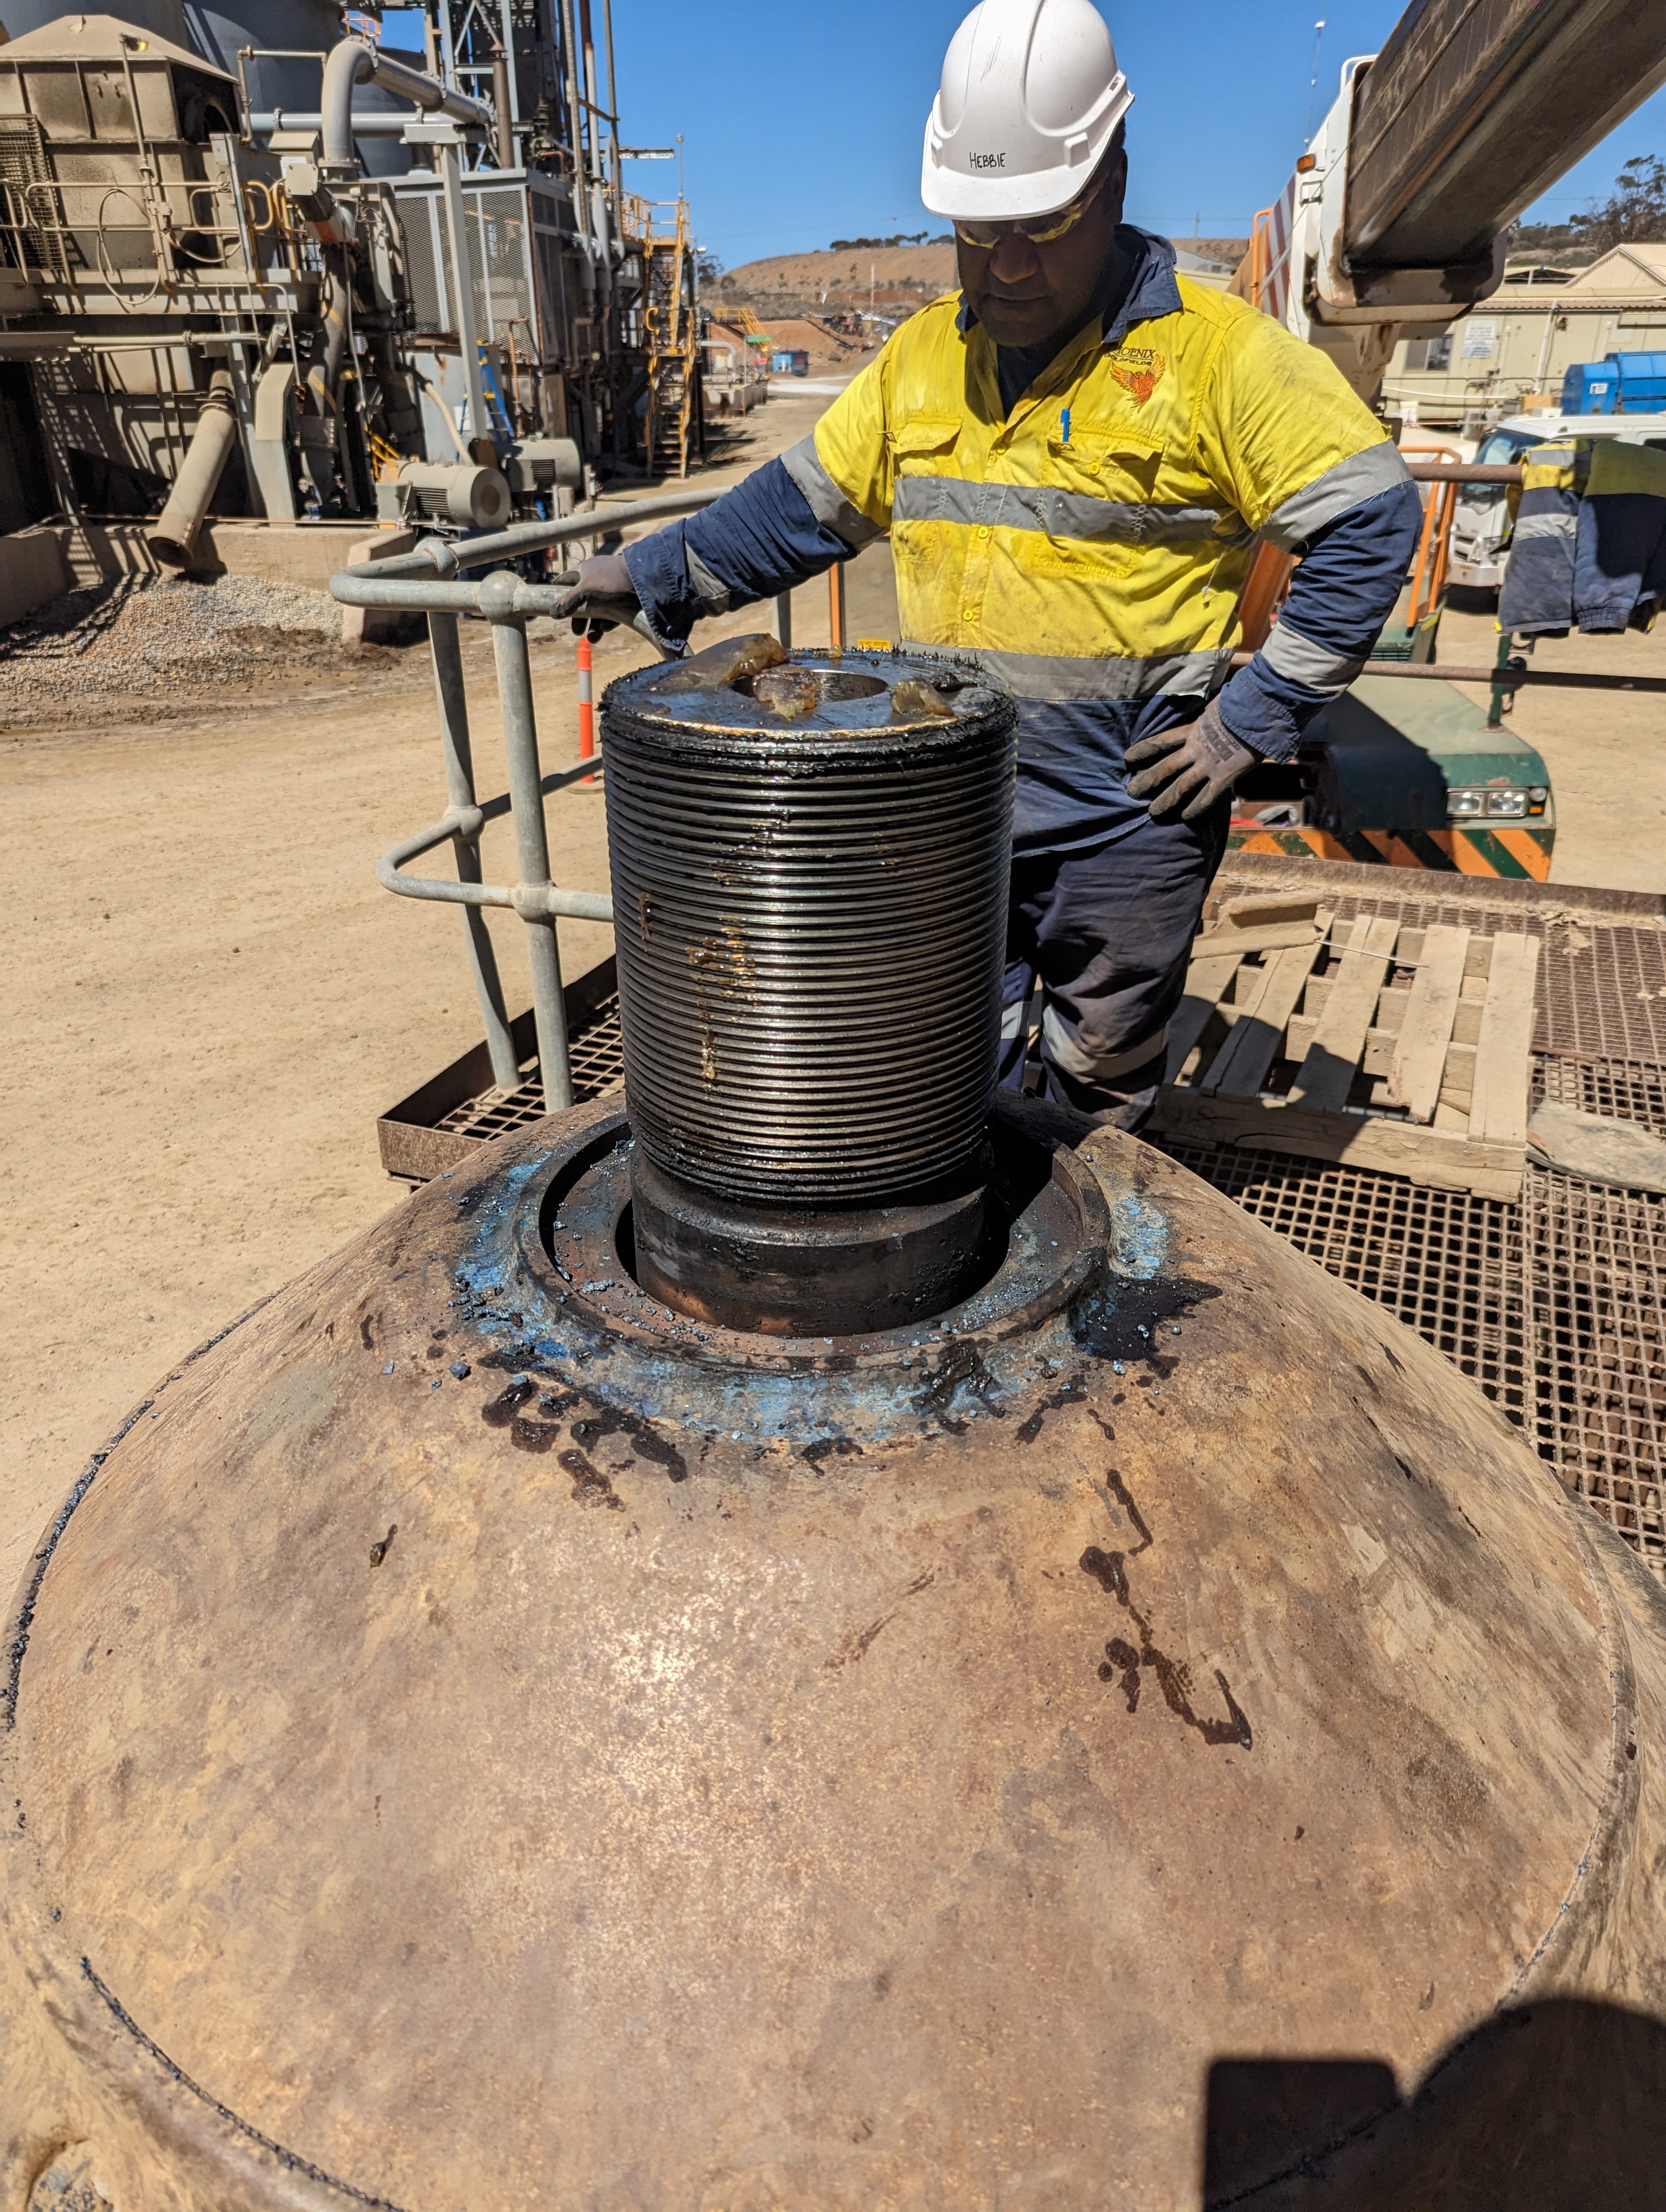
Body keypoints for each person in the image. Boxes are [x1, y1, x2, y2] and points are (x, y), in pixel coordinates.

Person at [555, 0, 1422, 1129]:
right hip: (945, 804)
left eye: (1043, 223)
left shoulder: (1216, 363)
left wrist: (1249, 720)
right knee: (944, 1043)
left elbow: (1371, 520)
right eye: (976, 227)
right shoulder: (923, 355)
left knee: (1101, 1055)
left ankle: (1087, 1230)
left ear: (1111, 181)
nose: (1004, 263)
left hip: (1127, 815)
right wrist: (654, 570)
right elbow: (801, 510)